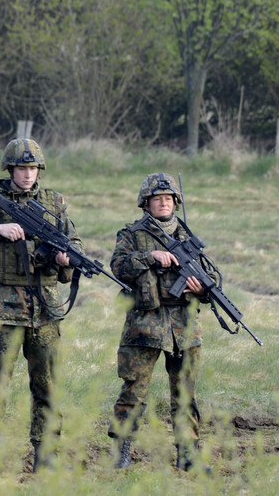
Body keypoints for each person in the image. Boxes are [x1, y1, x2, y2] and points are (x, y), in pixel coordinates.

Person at [0, 138, 79, 473]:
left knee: (47, 384)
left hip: (44, 309)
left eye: (32, 168)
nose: (27, 174)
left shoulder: (54, 203)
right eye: (21, 168)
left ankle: (47, 454)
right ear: (10, 169)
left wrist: (64, 258)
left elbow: (74, 243)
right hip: (2, 308)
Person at [107, 173, 217, 471]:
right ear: (146, 203)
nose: (164, 203)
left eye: (168, 198)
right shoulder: (132, 234)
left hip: (184, 325)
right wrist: (151, 255)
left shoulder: (186, 235)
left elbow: (212, 277)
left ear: (176, 202)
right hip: (145, 323)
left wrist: (202, 289)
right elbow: (118, 266)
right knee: (134, 390)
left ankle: (188, 455)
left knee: (185, 393)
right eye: (157, 199)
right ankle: (122, 452)